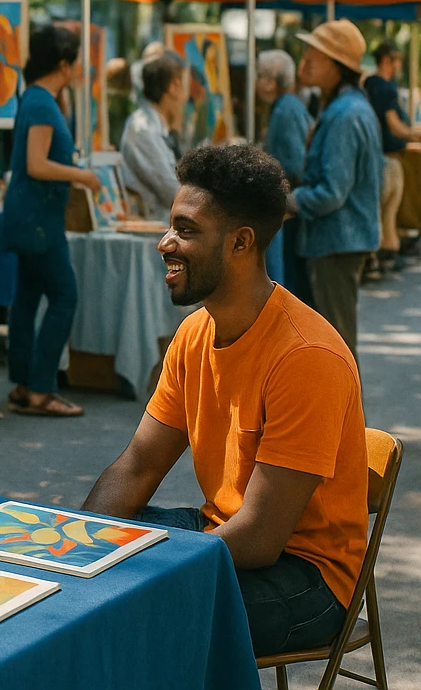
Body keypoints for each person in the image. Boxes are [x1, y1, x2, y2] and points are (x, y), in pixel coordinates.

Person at [84, 143, 366, 658]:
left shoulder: (307, 356)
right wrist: (83, 544)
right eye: (172, 225)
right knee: (97, 569)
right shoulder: (195, 333)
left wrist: (153, 564)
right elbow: (139, 464)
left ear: (240, 243)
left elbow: (261, 537)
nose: (166, 242)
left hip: (307, 576)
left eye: (187, 230)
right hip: (222, 534)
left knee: (139, 606)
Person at [1, 24, 100, 418]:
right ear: (63, 63)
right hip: (40, 223)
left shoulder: (36, 98)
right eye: (75, 62)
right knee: (64, 296)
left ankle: (25, 384)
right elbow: (36, 163)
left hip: (29, 218)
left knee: (26, 299)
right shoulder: (43, 103)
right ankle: (41, 389)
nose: (78, 69)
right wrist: (80, 175)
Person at [291, 20, 383, 357]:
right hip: (337, 241)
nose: (307, 59)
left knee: (336, 348)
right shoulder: (344, 107)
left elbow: (332, 191)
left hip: (337, 243)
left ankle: (346, 412)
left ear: (336, 64)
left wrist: (290, 202)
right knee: (332, 344)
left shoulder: (345, 114)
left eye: (316, 53)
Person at [257, 48, 314, 299]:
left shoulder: (285, 109)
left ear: (270, 81)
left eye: (260, 76)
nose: (256, 82)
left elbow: (294, 163)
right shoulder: (287, 106)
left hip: (289, 209)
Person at [364, 42, 419, 270]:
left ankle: (383, 255)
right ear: (387, 60)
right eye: (397, 61)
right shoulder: (385, 87)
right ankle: (381, 256)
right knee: (386, 212)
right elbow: (394, 126)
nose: (399, 66)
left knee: (383, 213)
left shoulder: (369, 84)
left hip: (379, 158)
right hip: (387, 159)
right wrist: (414, 134)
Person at [119, 51, 188, 220]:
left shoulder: (158, 125)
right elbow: (170, 190)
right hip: (153, 228)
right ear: (174, 87)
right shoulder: (143, 129)